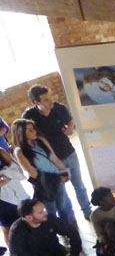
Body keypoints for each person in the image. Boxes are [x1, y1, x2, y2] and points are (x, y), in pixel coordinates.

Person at [22, 84, 91, 219]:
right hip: (50, 161)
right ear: (37, 103)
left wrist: (69, 128)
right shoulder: (29, 116)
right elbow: (24, 135)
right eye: (46, 99)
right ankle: (70, 220)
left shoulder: (60, 108)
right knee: (61, 193)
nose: (51, 101)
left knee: (79, 185)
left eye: (50, 97)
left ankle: (88, 212)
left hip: (69, 153)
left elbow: (70, 121)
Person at [8, 198, 86, 256]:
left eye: (44, 209)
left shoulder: (50, 219)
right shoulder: (17, 232)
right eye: (41, 212)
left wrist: (73, 254)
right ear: (29, 218)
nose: (45, 213)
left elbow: (71, 231)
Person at [11, 118, 74, 224]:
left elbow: (54, 158)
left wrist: (65, 171)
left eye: (33, 128)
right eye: (30, 130)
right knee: (50, 211)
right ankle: (54, 229)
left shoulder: (41, 141)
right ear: (21, 133)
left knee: (63, 206)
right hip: (44, 184)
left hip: (57, 179)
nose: (34, 131)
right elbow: (34, 174)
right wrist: (58, 178)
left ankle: (67, 227)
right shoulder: (20, 152)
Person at [0, 145, 28, 253]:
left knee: (26, 223)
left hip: (18, 194)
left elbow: (19, 170)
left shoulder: (1, 151)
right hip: (2, 200)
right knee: (8, 230)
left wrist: (7, 175)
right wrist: (5, 179)